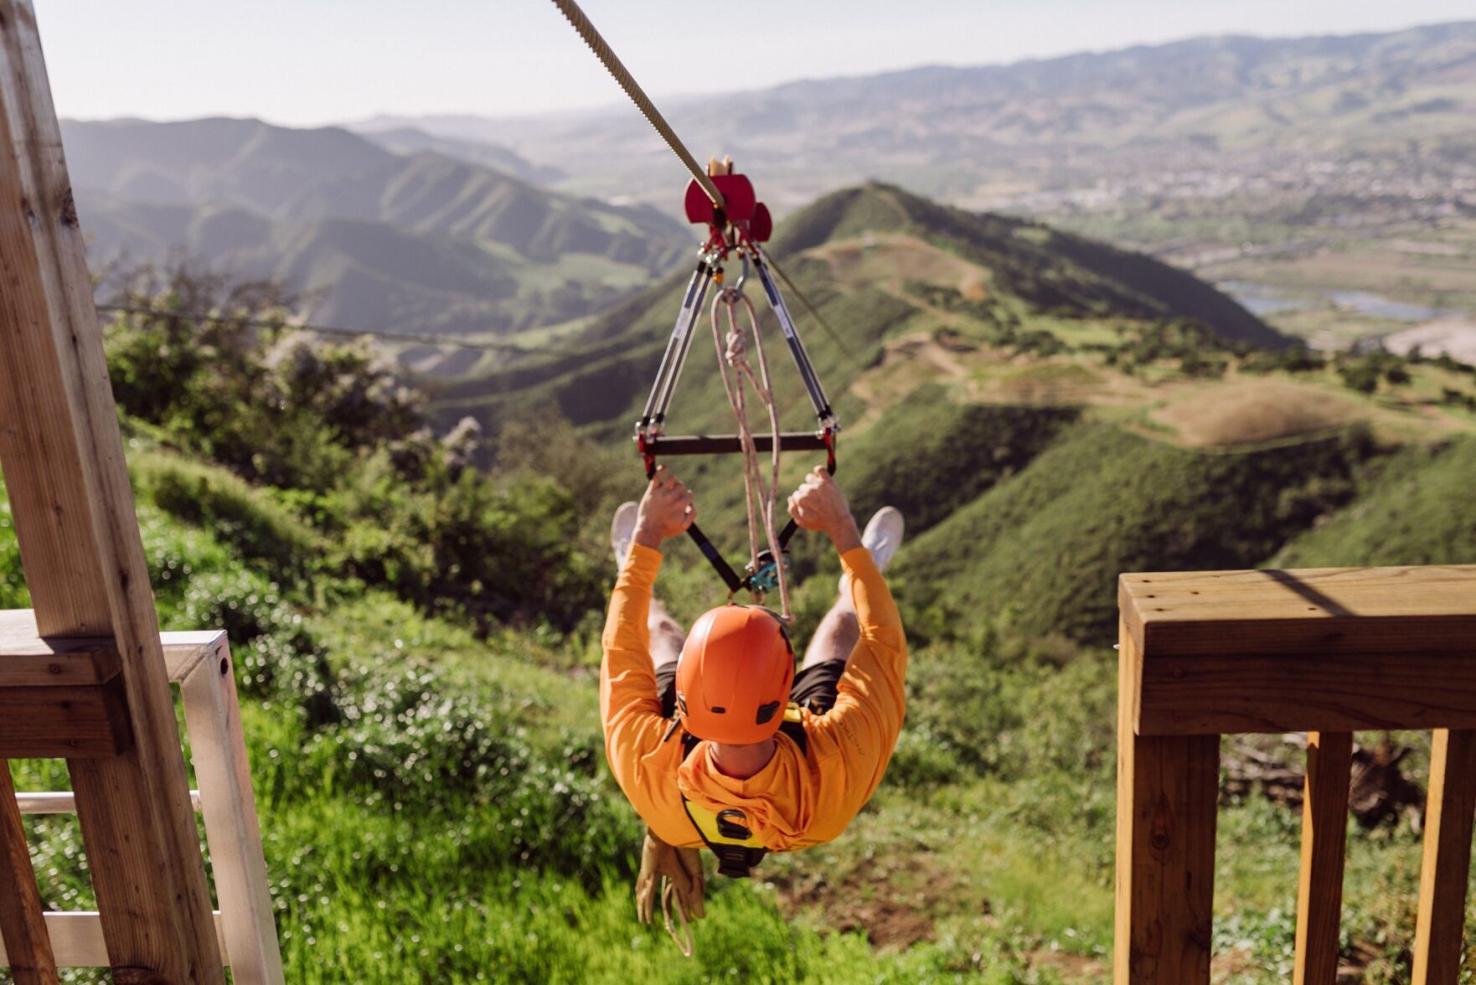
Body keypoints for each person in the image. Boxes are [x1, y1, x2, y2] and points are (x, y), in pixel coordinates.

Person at [600, 462, 907, 930]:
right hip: (805, 802)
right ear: (788, 695)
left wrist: (645, 538)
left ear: (683, 692)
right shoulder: (836, 759)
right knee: (844, 624)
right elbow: (881, 639)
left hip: (691, 808)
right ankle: (858, 581)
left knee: (657, 630)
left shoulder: (649, 758)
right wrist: (843, 531)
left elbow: (622, 643)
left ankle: (627, 565)